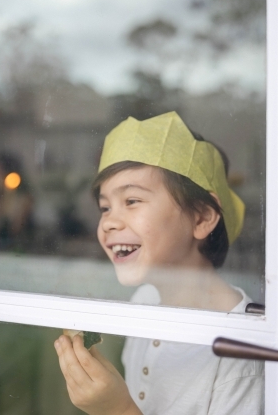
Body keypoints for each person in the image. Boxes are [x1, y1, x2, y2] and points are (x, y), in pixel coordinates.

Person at [54, 111, 264, 415]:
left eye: (132, 201)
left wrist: (117, 410)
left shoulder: (242, 355)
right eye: (104, 206)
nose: (109, 222)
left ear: (202, 218)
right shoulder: (144, 302)